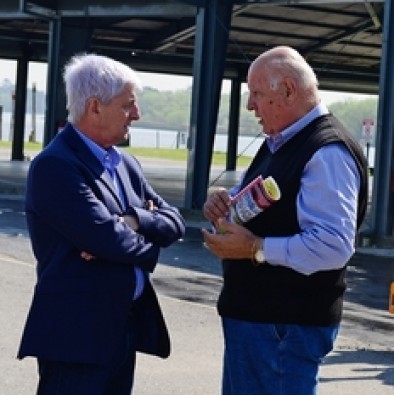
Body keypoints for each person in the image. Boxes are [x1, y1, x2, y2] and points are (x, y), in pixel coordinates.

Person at [201, 45, 369, 395]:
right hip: (265, 324)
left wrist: (255, 248)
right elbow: (269, 198)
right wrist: (225, 202)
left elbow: (333, 245)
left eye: (257, 94)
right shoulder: (282, 141)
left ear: (289, 90)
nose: (250, 106)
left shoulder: (326, 151)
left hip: (281, 328)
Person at [17, 53, 186, 394]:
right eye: (127, 106)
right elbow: (109, 240)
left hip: (121, 326)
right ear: (94, 107)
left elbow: (176, 221)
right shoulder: (56, 166)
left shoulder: (125, 164)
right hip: (76, 338)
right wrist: (123, 237)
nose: (136, 115)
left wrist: (134, 220)